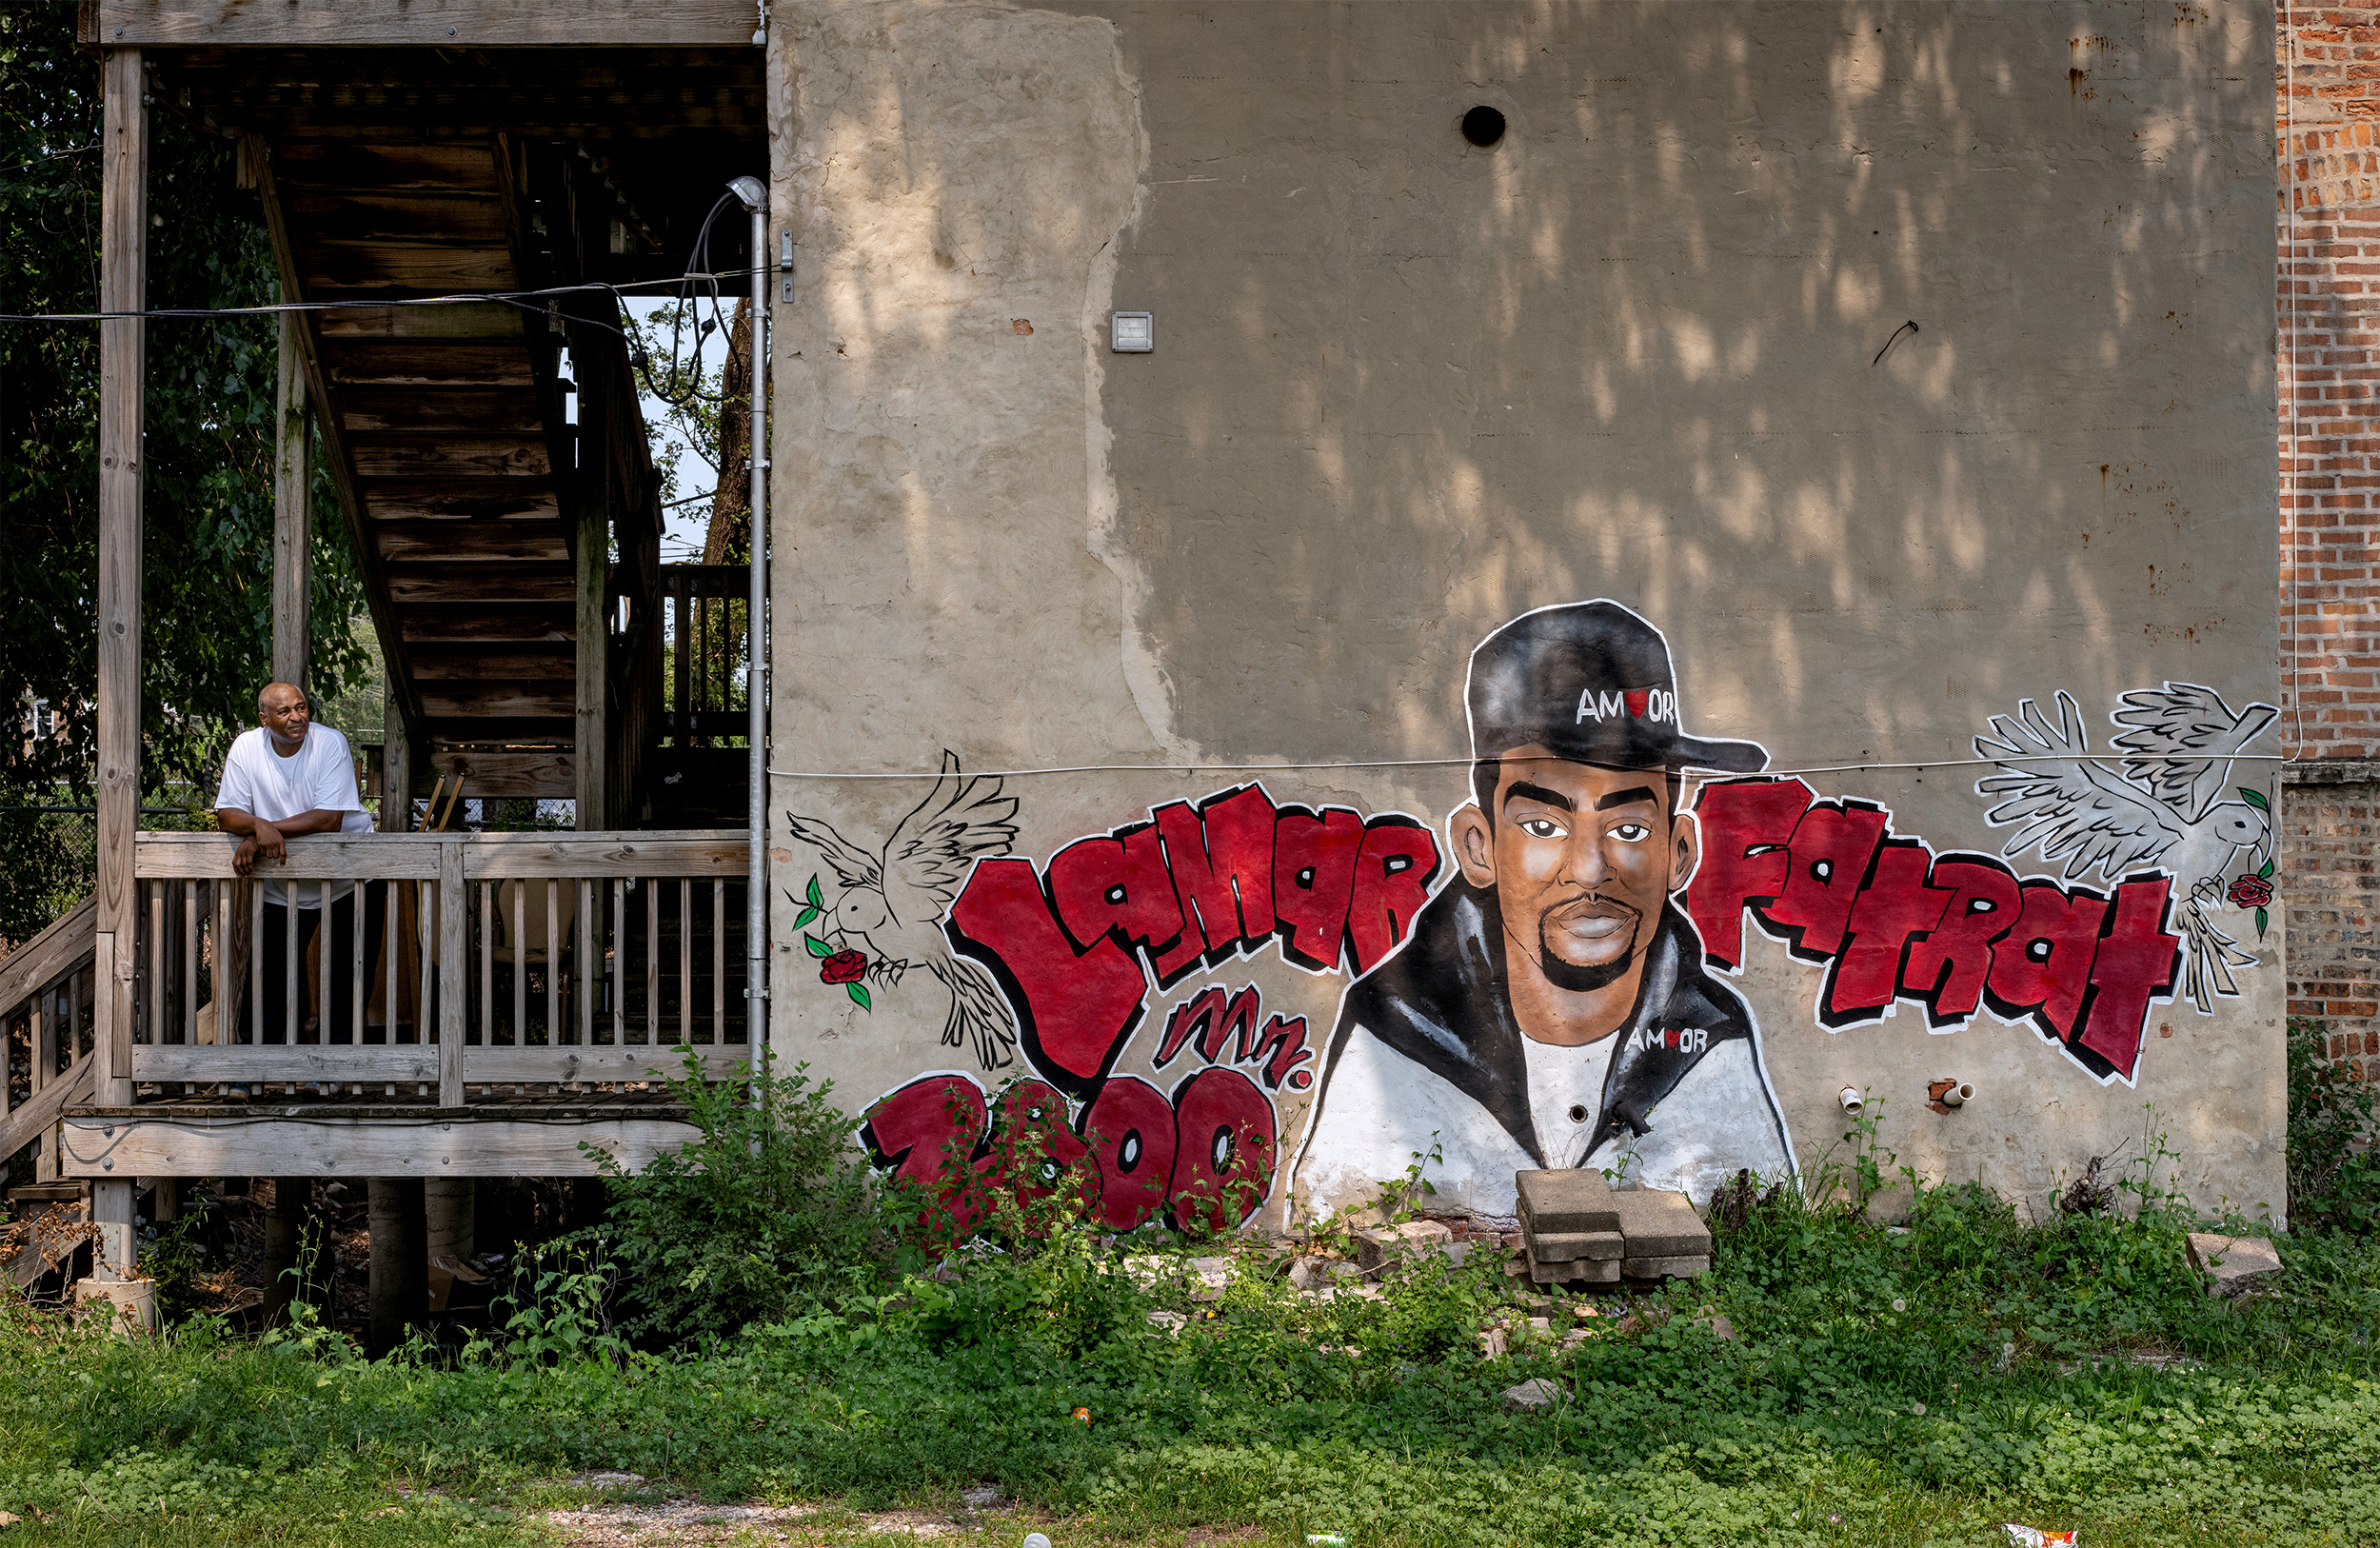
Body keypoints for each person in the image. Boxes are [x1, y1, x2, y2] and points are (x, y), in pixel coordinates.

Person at [1288, 601, 1793, 1217]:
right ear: (1480, 847)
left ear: (1679, 853)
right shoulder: (1401, 1032)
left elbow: (1761, 1217)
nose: (1589, 868)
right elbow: (1337, 1229)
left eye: (1630, 829)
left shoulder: (1708, 1042)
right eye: (1543, 824)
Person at [216, 682, 384, 1061]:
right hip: (284, 884)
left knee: (347, 976)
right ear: (264, 719)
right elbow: (226, 814)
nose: (297, 717)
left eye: (301, 707)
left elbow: (329, 818)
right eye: (284, 711)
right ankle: (256, 1067)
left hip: (350, 879)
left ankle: (335, 1068)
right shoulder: (246, 747)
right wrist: (258, 828)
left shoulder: (329, 743)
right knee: (269, 975)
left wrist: (259, 834)